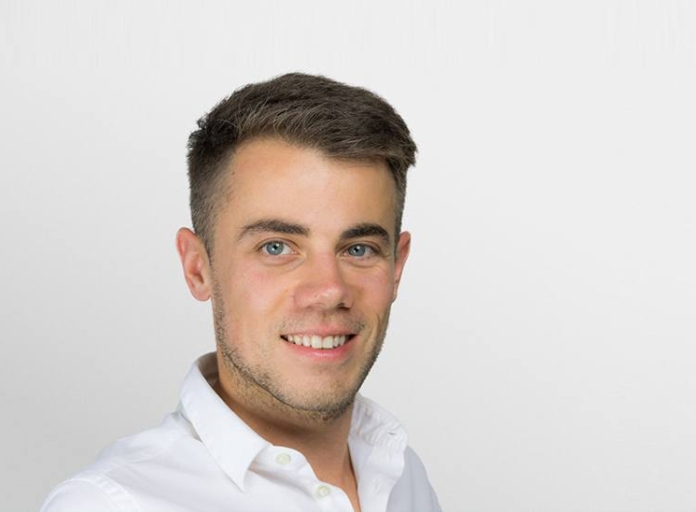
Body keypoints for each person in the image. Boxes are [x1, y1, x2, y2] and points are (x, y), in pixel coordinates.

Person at [40, 72, 443, 512]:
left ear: (397, 266)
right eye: (276, 247)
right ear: (198, 268)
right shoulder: (113, 504)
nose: (329, 291)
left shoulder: (400, 473)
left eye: (359, 249)